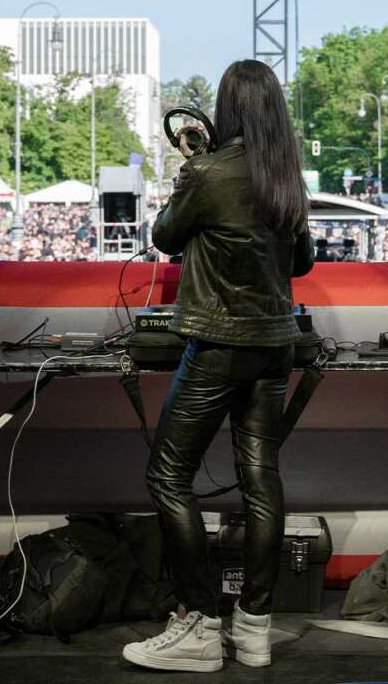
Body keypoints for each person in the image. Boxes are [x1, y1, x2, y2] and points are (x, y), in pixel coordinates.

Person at [124, 60, 315, 673]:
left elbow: (164, 236)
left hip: (216, 347)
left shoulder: (206, 172)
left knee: (168, 476)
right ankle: (254, 627)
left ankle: (201, 623)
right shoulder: (288, 179)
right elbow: (302, 262)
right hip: (275, 346)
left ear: (228, 109)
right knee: (261, 479)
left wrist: (190, 166)